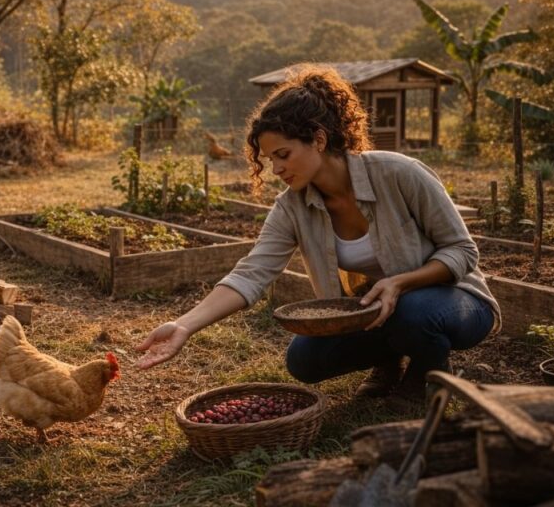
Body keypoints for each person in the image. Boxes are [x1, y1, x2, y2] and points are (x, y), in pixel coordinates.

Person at [135, 65, 499, 399]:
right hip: (373, 311)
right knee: (304, 361)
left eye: (283, 154)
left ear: (319, 140)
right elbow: (252, 272)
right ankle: (388, 361)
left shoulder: (399, 173)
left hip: (454, 302)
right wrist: (184, 326)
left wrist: (400, 282)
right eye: (269, 160)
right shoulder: (292, 206)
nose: (276, 168)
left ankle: (429, 371)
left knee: (412, 312)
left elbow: (463, 252)